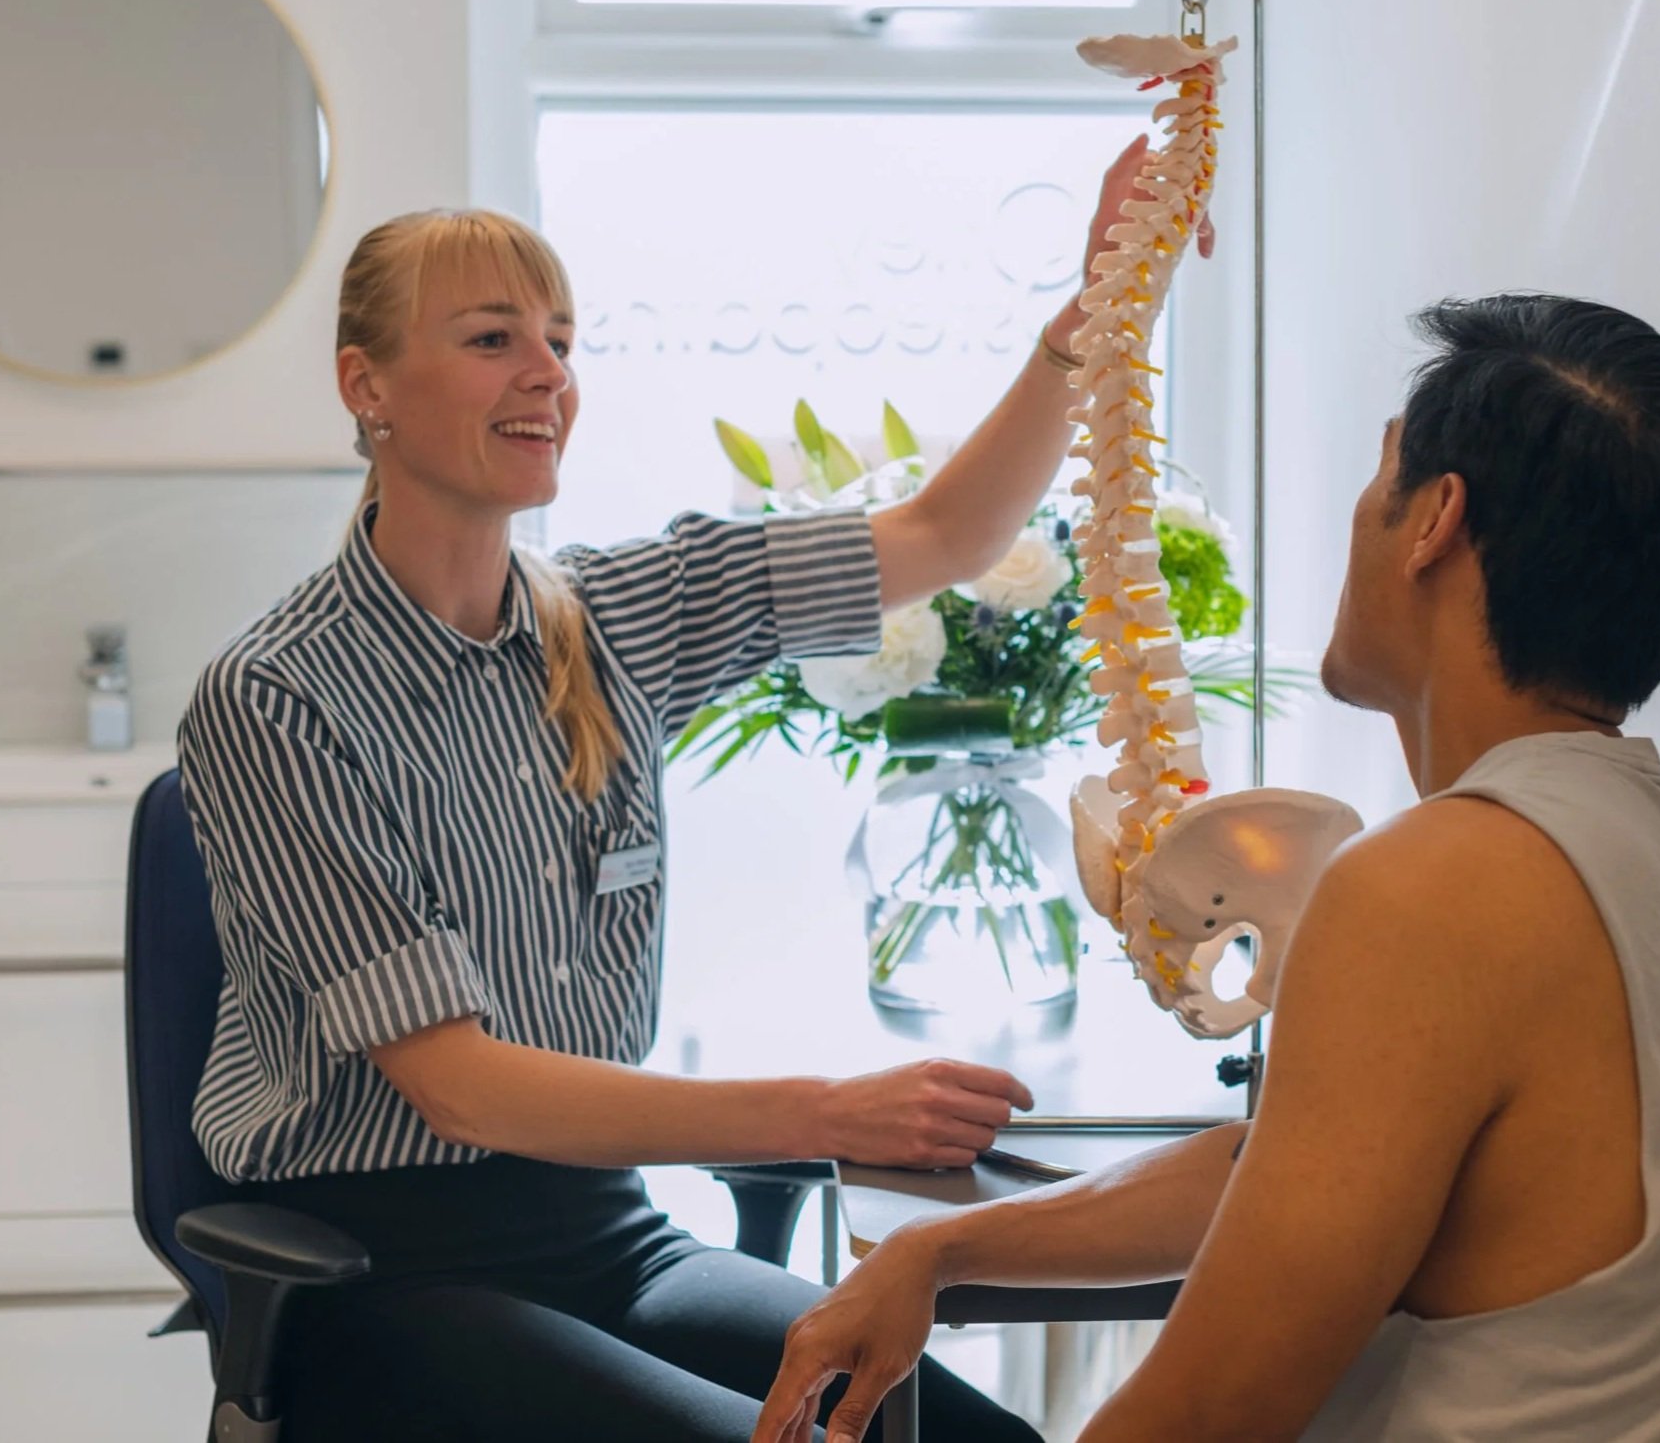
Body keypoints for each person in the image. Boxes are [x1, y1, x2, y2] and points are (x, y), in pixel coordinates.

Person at [176, 134, 1208, 1441]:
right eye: (494, 338)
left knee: (967, 1439)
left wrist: (1094, 313)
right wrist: (827, 1109)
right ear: (363, 385)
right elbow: (462, 1087)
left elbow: (950, 536)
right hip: (385, 1279)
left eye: (559, 338)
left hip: (611, 1239)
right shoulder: (277, 695)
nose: (548, 372)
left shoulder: (613, 613)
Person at [757, 294, 1660, 1443]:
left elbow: (1210, 1411)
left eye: (1382, 477)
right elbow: (1284, 1168)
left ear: (1434, 521)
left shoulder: (1435, 884)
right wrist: (940, 1244)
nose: (1359, 513)